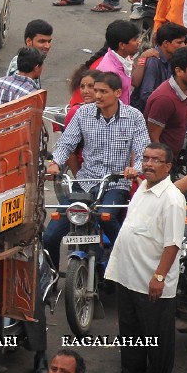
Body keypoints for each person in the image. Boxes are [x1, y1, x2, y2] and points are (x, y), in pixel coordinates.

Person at [101, 142, 185, 373]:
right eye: (146, 158)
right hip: (128, 275)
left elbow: (173, 243)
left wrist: (159, 277)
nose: (148, 164)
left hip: (152, 280)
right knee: (131, 331)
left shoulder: (171, 199)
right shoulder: (143, 188)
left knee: (157, 337)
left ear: (168, 166)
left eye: (156, 160)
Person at [43, 70, 149, 267]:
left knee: (107, 218)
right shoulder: (83, 113)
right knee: (50, 235)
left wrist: (135, 168)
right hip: (84, 183)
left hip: (115, 184)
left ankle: (123, 260)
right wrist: (55, 163)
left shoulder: (134, 117)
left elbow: (143, 151)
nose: (97, 95)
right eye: (96, 90)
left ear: (118, 93)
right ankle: (52, 278)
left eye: (103, 91)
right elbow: (66, 143)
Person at [144, 46, 187, 159]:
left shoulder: (186, 90)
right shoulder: (164, 99)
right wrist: (163, 166)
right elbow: (153, 138)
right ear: (178, 71)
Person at [133, 23, 187, 111]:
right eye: (179, 42)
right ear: (166, 43)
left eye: (184, 42)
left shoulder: (174, 58)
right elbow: (146, 95)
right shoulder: (154, 60)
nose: (183, 46)